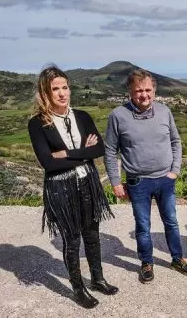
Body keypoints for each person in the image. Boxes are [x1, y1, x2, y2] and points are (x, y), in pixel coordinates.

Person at [28, 65, 117, 309]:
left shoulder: (83, 116)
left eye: (64, 87)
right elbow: (48, 163)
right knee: (72, 239)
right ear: (45, 93)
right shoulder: (38, 124)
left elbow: (98, 149)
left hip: (88, 182)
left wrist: (67, 153)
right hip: (60, 187)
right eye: (54, 89)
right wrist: (84, 154)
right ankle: (78, 289)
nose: (61, 93)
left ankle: (98, 279)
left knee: (92, 234)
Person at [104, 69, 187, 283]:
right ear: (130, 92)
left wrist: (175, 170)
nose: (143, 95)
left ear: (154, 90)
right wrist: (116, 182)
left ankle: (177, 258)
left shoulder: (164, 111)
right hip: (138, 182)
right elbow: (110, 151)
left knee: (171, 221)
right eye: (138, 91)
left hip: (165, 179)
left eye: (147, 90)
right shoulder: (117, 116)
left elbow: (176, 141)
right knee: (143, 225)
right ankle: (146, 262)